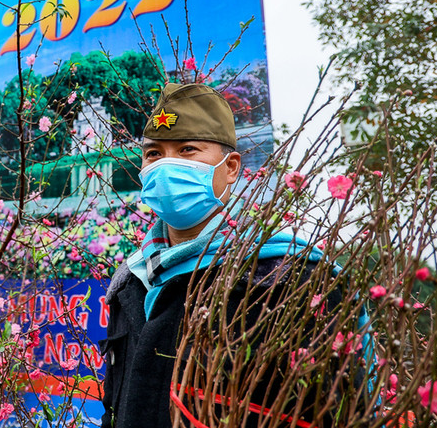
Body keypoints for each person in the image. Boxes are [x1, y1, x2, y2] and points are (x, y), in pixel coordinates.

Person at [99, 83, 371, 428]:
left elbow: (342, 410)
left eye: (187, 150)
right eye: (154, 154)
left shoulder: (291, 278)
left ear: (230, 168)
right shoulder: (131, 280)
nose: (166, 166)